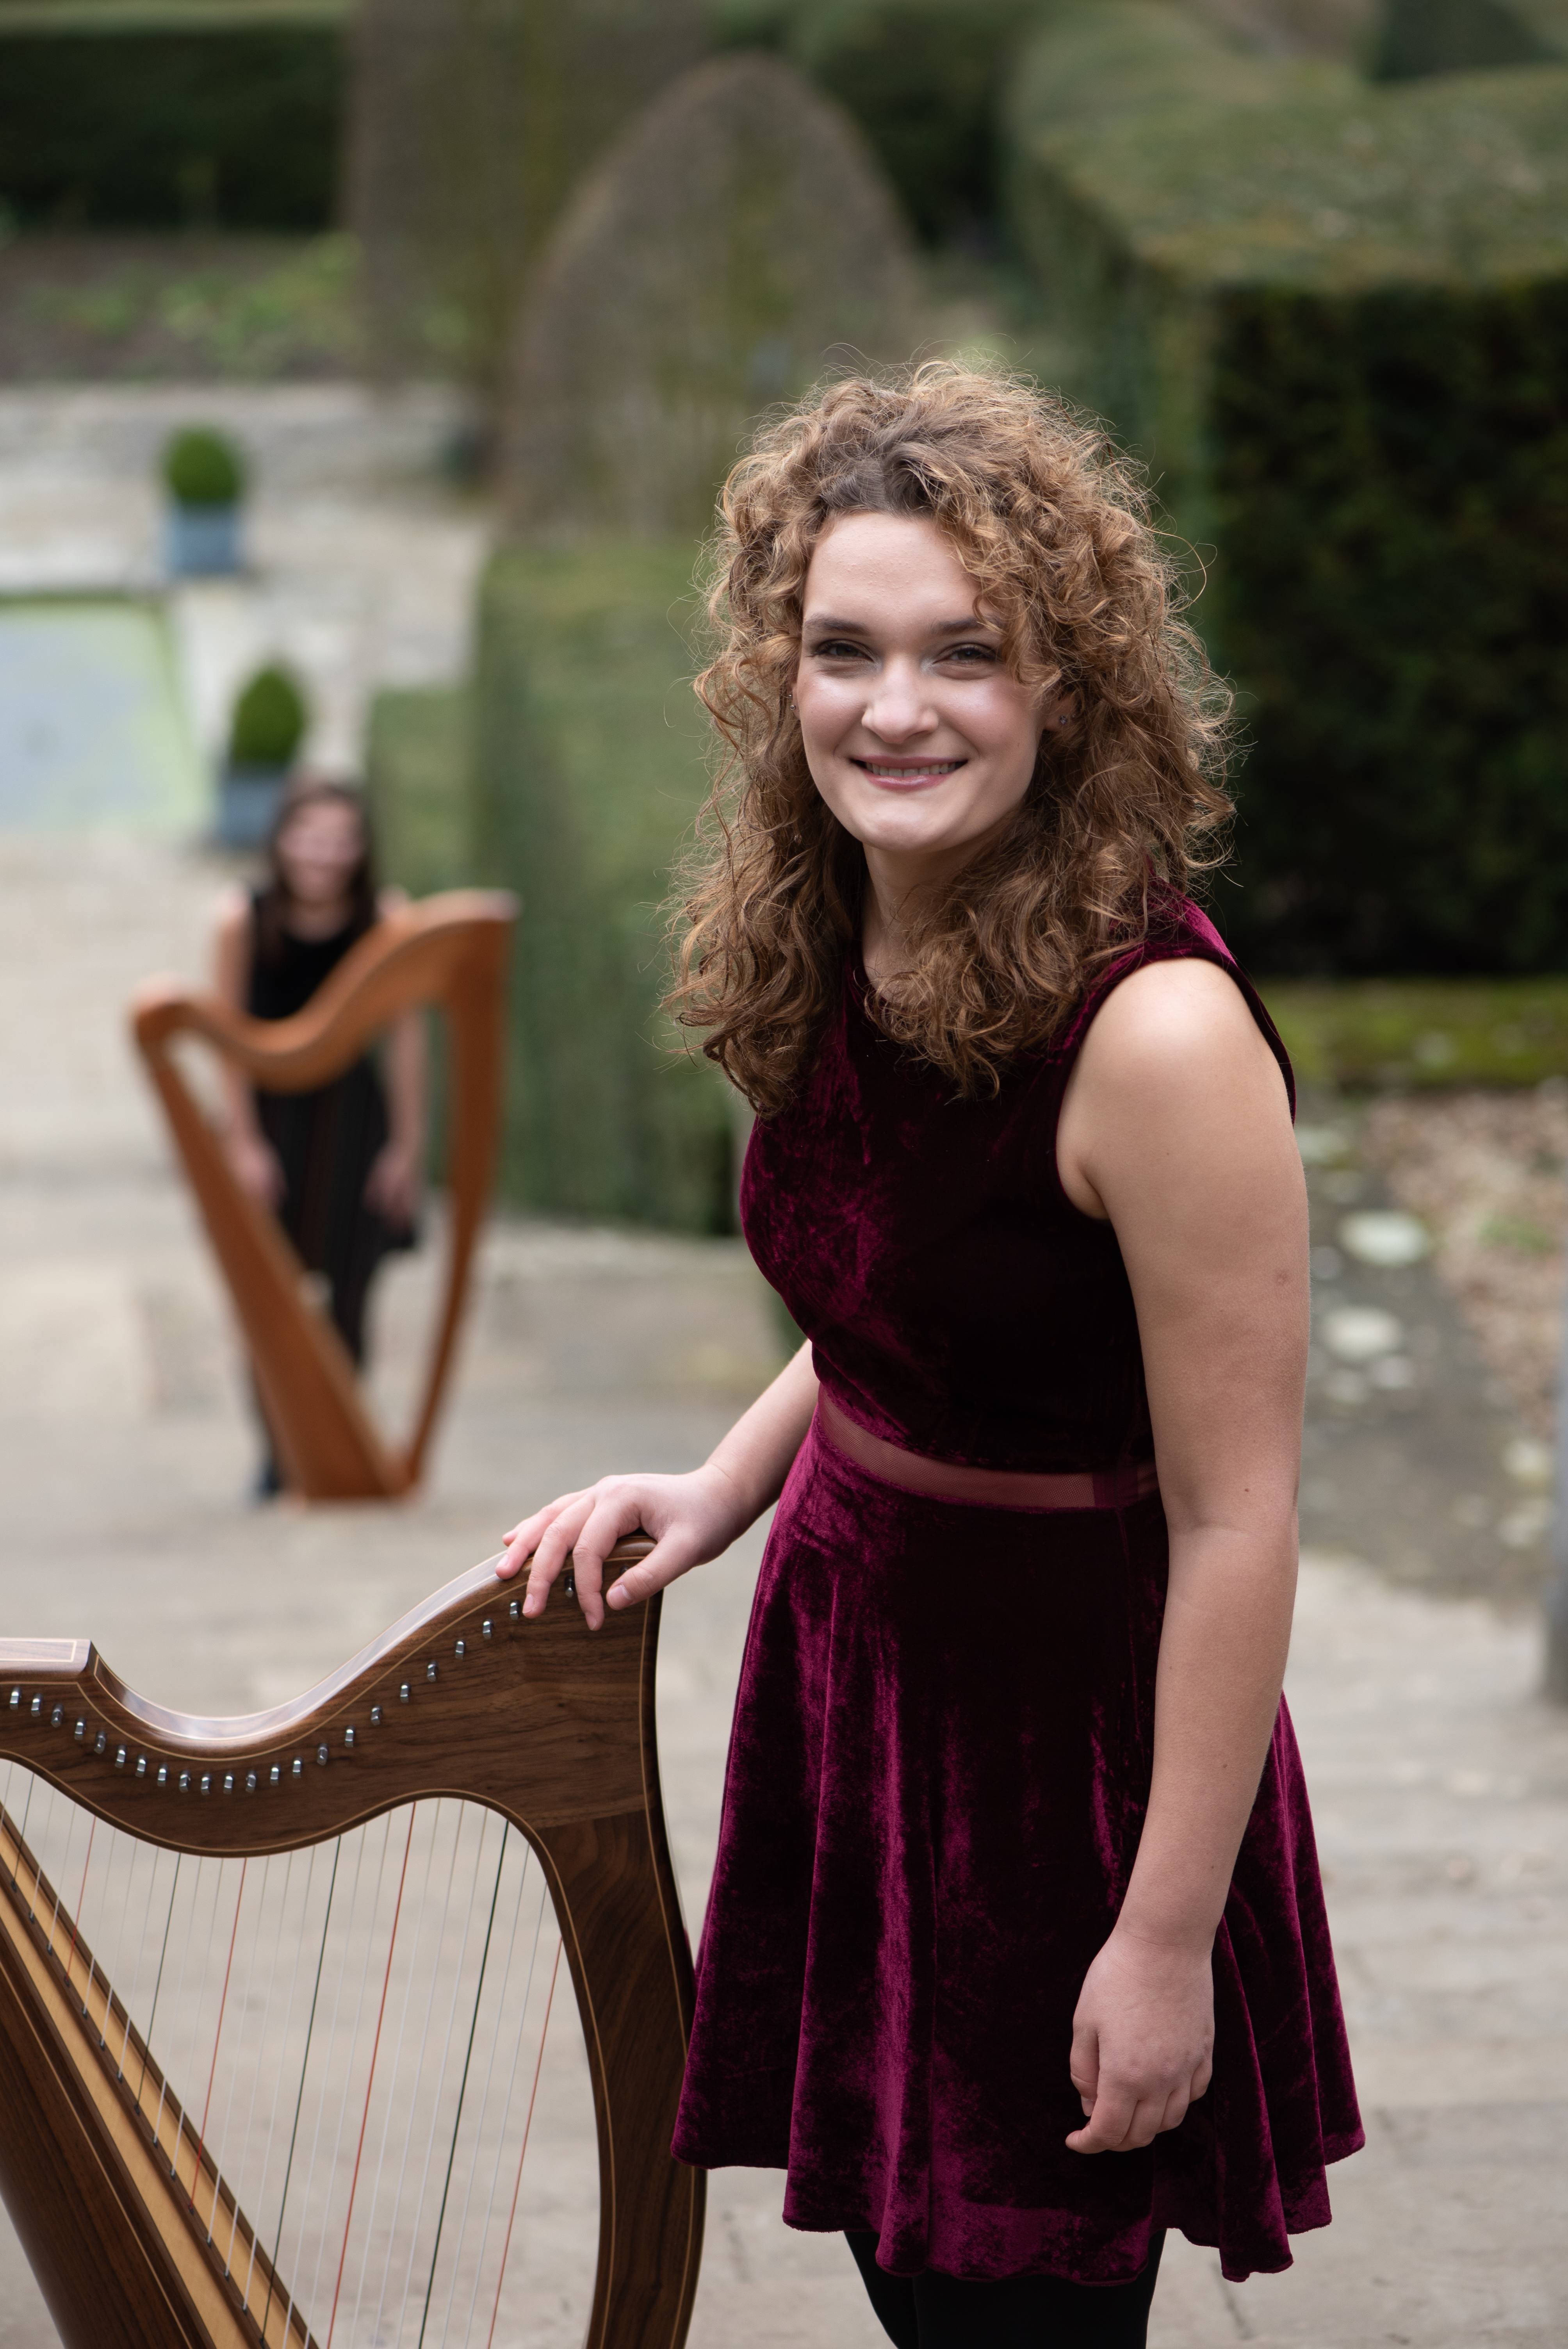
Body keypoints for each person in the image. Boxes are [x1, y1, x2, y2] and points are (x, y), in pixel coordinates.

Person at [496, 365, 1362, 2346]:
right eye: (845, 648)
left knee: (1016, 2316)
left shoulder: (1151, 1040)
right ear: (773, 674)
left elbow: (1239, 1518)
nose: (895, 706)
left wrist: (1157, 1941)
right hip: (854, 1676)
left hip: (1060, 1758)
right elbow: (902, 1300)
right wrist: (718, 1486)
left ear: (1065, 687)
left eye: (965, 652)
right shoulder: (836, 928)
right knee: (918, 2291)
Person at [213, 776, 426, 1492]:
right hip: (271, 1128)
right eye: (310, 835)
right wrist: (242, 1142)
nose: (324, 854)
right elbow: (227, 1038)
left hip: (354, 1123)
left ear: (362, 847)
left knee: (352, 1294)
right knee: (268, 1299)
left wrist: (405, 1147)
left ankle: (337, 1451)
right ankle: (276, 1457)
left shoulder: (384, 917)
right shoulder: (243, 918)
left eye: (342, 838)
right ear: (281, 838)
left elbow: (405, 1040)